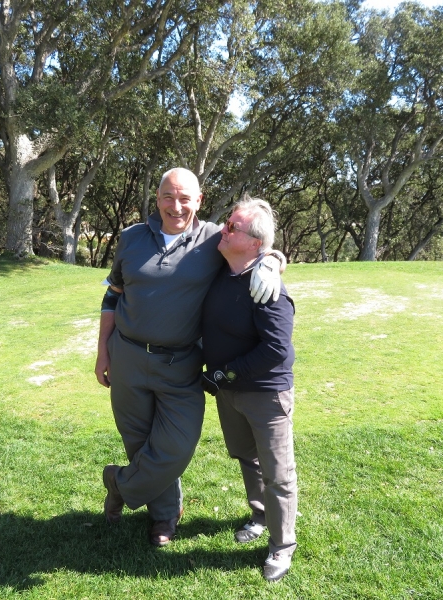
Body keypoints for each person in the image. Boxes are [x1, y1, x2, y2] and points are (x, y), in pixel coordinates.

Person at [94, 168, 285, 546]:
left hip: (181, 363)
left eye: (185, 198)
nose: (176, 206)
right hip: (127, 355)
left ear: (199, 201)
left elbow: (255, 243)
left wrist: (272, 260)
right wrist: (103, 351)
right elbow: (113, 294)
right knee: (139, 442)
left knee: (176, 446)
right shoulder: (131, 238)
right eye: (168, 196)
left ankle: (118, 483)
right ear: (157, 198)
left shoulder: (214, 239)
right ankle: (165, 516)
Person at [200, 195, 297, 582]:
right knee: (246, 456)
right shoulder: (223, 269)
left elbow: (276, 349)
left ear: (255, 242)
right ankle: (260, 515)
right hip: (229, 390)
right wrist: (274, 256)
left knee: (277, 472)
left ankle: (282, 544)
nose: (223, 230)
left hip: (265, 393)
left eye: (233, 227)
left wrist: (225, 375)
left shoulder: (268, 287)